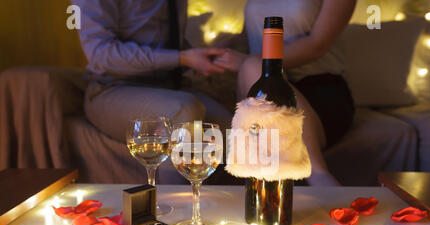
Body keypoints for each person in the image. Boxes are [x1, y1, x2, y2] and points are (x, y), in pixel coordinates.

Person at [214, 0, 357, 186]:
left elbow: (318, 44)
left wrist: (252, 60)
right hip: (260, 85)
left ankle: (317, 173)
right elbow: (248, 36)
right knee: (255, 73)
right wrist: (219, 50)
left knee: (252, 67)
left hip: (318, 88)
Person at [72, 0, 233, 144]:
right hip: (114, 87)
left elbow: (164, 42)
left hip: (169, 87)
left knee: (235, 134)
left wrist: (198, 56)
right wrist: (181, 58)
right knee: (185, 113)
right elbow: (101, 54)